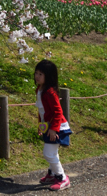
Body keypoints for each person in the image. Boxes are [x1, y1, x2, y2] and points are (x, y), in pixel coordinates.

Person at [35, 59, 72, 190]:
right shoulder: (40, 89)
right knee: (52, 153)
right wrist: (41, 126)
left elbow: (58, 111)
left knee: (48, 153)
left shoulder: (50, 92)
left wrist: (54, 129)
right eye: (36, 73)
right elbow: (42, 110)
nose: (37, 76)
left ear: (48, 76)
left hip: (57, 127)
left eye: (41, 74)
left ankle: (62, 178)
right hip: (49, 127)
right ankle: (52, 174)